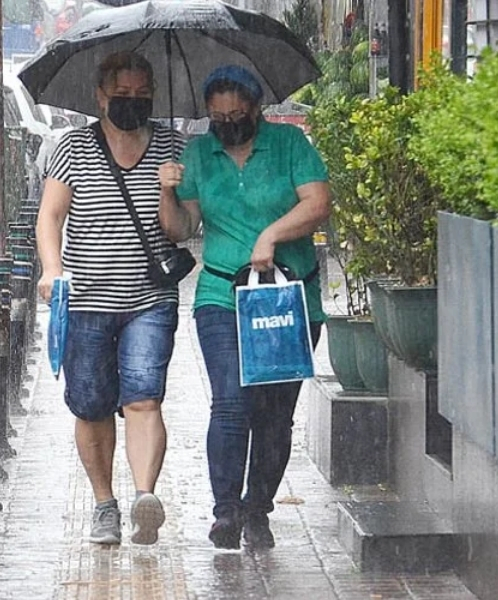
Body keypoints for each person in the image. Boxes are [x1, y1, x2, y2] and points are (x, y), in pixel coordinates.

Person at [157, 65, 331, 550]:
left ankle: (259, 508)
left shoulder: (290, 147)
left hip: (286, 299)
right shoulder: (198, 153)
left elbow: (318, 202)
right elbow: (181, 228)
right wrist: (167, 190)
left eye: (236, 114)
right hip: (221, 297)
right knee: (231, 402)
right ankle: (226, 511)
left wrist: (271, 234)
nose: (228, 123)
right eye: (217, 116)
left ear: (256, 108)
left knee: (274, 413)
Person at [36, 51, 186, 546]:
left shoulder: (172, 145)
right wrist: (53, 271)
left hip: (150, 299)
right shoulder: (73, 147)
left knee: (144, 397)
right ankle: (104, 503)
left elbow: (183, 228)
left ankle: (146, 497)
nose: (132, 103)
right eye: (122, 96)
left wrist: (169, 190)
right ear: (100, 96)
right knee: (92, 405)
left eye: (142, 96)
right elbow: (51, 217)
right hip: (86, 301)